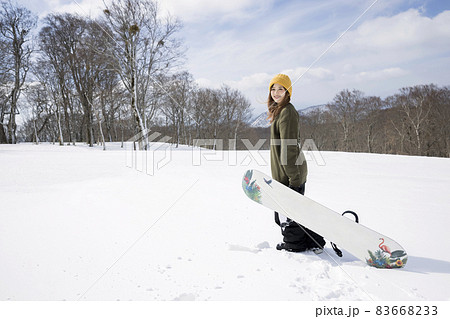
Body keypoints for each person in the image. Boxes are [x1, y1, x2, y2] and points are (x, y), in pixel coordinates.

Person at [267, 73, 325, 253]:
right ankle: (308, 240)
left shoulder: (287, 112)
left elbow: (289, 147)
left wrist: (293, 179)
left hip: (291, 173)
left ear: (288, 91)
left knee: (290, 215)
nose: (276, 93)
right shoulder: (280, 110)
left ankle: (298, 244)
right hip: (285, 172)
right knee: (284, 214)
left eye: (281, 89)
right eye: (273, 89)